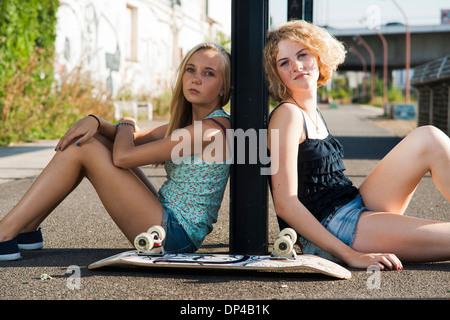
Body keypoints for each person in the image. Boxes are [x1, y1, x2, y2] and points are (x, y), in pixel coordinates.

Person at [0, 42, 232, 261]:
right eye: (191, 70)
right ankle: (27, 229)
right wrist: (98, 123)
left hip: (173, 235)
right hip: (166, 218)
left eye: (208, 73)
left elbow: (123, 156)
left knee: (86, 147)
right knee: (92, 139)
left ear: (223, 87)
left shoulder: (208, 132)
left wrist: (126, 121)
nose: (196, 79)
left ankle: (4, 232)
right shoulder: (192, 125)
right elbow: (128, 138)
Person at [264, 20, 450, 270]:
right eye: (284, 63)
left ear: (319, 57)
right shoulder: (287, 115)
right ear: (277, 74)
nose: (296, 65)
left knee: (429, 137)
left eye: (302, 54)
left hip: (354, 203)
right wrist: (349, 255)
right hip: (333, 227)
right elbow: (285, 203)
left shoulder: (311, 110)